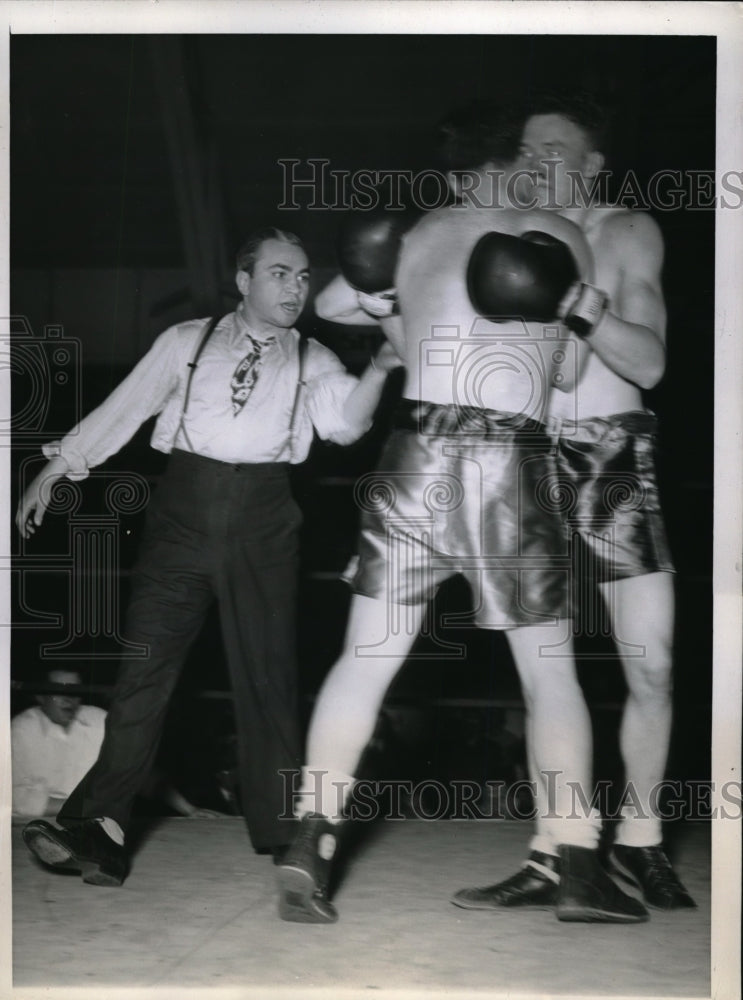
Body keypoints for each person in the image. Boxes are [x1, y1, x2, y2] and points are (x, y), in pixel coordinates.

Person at [276, 103, 647, 924]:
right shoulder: (558, 234)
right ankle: (577, 865)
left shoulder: (415, 235)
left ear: (449, 174)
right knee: (547, 672)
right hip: (506, 461)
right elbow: (559, 376)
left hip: (412, 457)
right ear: (514, 162)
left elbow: (335, 303)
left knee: (364, 658)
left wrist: (390, 306)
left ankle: (311, 840)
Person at [17, 227, 401, 887]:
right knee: (142, 672)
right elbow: (125, 407)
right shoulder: (185, 341)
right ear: (244, 279)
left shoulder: (311, 357)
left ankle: (290, 842)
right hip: (180, 516)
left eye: (304, 276)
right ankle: (101, 826)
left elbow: (344, 424)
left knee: (267, 677)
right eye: (280, 273)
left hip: (263, 519)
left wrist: (383, 368)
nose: (295, 287)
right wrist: (55, 469)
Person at [451, 93, 695, 913]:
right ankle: (555, 851)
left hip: (613, 454)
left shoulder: (626, 231)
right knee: (543, 673)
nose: (532, 164)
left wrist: (574, 303)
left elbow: (652, 363)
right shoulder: (501, 234)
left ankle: (643, 837)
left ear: (591, 166)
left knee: (651, 662)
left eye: (551, 150)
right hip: (520, 456)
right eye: (523, 150)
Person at [12, 667, 222, 820]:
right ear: (40, 695)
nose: (70, 699)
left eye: (75, 690)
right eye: (59, 691)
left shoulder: (99, 720)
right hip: (27, 830)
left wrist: (190, 810)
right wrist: (90, 808)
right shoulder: (18, 731)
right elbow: (15, 798)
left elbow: (138, 773)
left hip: (92, 825)